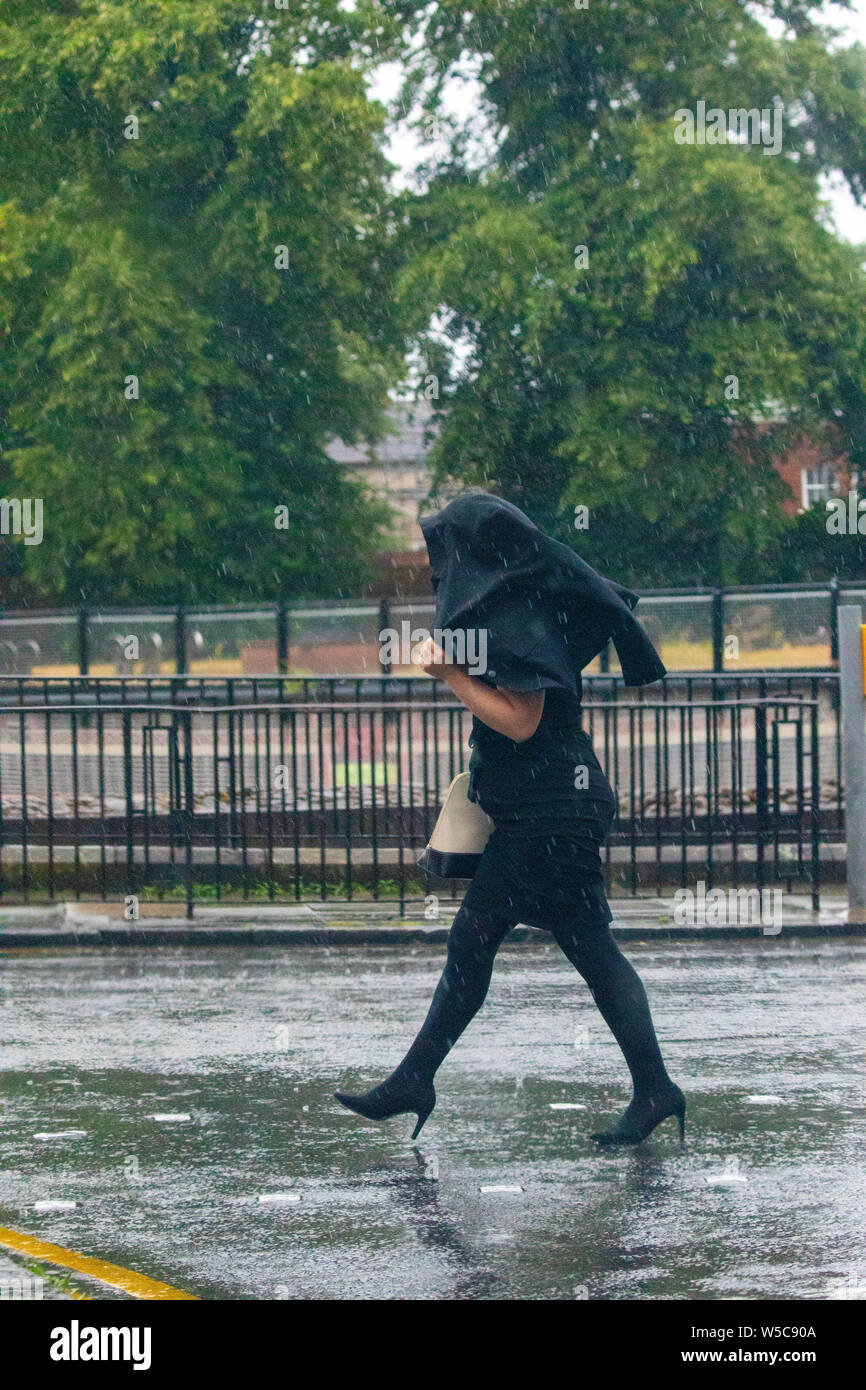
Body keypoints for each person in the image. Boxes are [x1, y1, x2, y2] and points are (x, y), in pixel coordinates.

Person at [335, 492, 684, 1146]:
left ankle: (414, 1080)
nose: (442, 568)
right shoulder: (514, 603)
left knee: (479, 936)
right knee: (584, 947)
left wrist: (449, 675)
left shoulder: (517, 613)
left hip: (549, 811)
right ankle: (655, 1089)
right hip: (550, 804)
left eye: (448, 552)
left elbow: (522, 723)